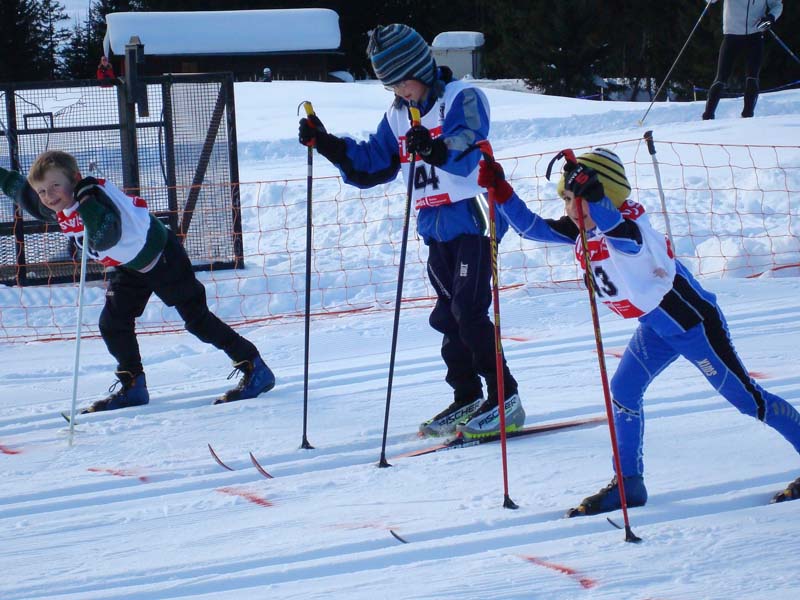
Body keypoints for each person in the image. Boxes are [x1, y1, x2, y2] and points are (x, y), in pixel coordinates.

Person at [477, 147, 800, 512]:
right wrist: (500, 189)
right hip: (656, 327)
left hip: (694, 327)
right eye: (566, 200)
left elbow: (622, 235)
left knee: (748, 400)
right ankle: (628, 483)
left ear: (605, 196)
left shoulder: (632, 230)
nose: (569, 209)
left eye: (575, 199)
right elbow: (532, 228)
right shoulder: (585, 228)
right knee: (624, 390)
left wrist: (595, 197)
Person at [297, 24, 524, 439]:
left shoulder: (462, 98)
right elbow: (374, 163)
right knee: (448, 315)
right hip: (434, 227)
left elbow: (468, 142)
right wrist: (327, 144)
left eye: (404, 81)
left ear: (421, 67)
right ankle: (466, 395)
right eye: (392, 85)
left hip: (475, 220)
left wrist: (435, 148)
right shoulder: (397, 116)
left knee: (469, 311)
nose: (401, 92)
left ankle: (505, 396)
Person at [0, 151, 275, 412]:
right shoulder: (59, 202)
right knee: (113, 322)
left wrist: (87, 207)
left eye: (55, 186)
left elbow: (105, 235)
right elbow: (22, 191)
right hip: (130, 266)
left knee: (197, 321)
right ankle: (133, 386)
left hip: (161, 256)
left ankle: (254, 367)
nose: (48, 196)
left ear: (75, 178)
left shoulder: (95, 198)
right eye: (43, 191)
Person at [702, 0, 783, 120]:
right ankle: (707, 116)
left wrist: (771, 18)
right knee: (721, 78)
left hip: (755, 34)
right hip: (732, 35)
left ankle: (747, 117)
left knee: (752, 77)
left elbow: (776, 5)